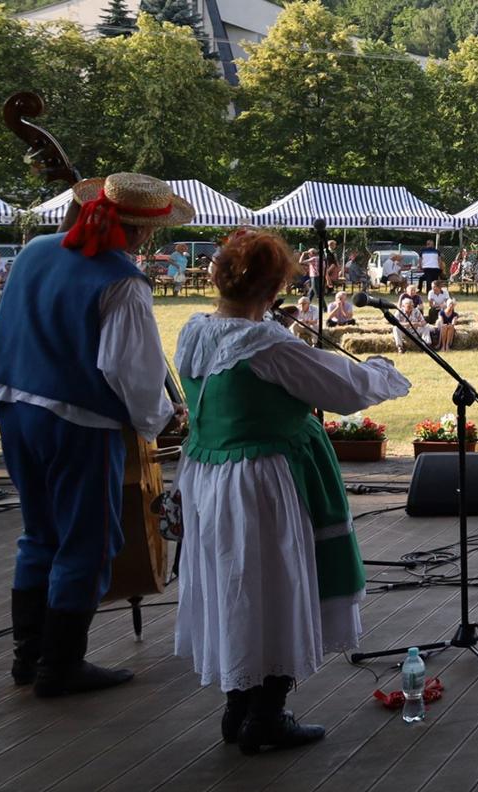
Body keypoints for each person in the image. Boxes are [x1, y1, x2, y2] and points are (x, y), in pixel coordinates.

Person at [170, 229, 410, 753]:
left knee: (235, 586)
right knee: (273, 588)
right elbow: (346, 389)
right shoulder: (265, 344)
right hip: (261, 482)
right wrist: (384, 372)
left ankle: (240, 707)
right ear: (276, 286)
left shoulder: (194, 332)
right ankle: (266, 717)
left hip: (211, 479)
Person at [0, 172, 186, 698]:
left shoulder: (33, 252)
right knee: (86, 542)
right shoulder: (122, 280)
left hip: (13, 409)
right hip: (78, 422)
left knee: (39, 533)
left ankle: (30, 657)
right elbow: (131, 374)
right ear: (141, 233)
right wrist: (163, 418)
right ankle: (61, 666)